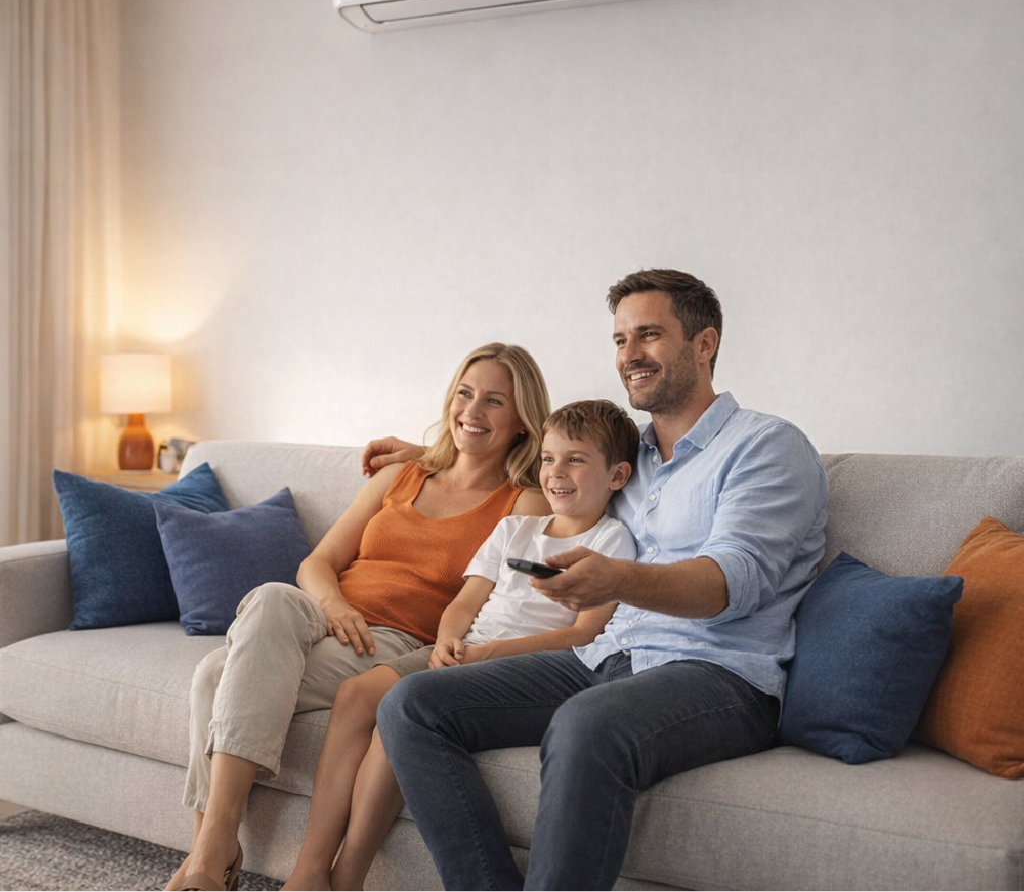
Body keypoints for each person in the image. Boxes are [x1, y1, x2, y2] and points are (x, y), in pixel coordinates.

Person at [373, 269, 830, 892]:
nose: (629, 355)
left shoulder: (767, 447)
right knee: (411, 703)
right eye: (619, 340)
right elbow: (545, 458)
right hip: (606, 657)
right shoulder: (626, 458)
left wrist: (618, 577)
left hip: (718, 675)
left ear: (705, 345)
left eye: (648, 336)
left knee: (587, 724)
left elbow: (731, 583)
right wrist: (429, 458)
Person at [163, 343, 552, 892]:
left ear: (521, 420)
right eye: (465, 394)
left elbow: (515, 594)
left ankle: (205, 859)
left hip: (393, 640)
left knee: (212, 674)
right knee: (273, 596)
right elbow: (318, 562)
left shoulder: (524, 501)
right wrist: (334, 604)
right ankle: (215, 846)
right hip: (325, 615)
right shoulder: (402, 476)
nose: (473, 410)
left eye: (494, 401)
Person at [280, 399, 639, 892]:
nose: (556, 472)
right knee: (355, 695)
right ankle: (310, 871)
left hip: (520, 664)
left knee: (396, 720)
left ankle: (348, 877)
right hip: (462, 649)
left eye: (575, 459)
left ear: (617, 476)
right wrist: (449, 639)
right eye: (550, 458)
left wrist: (484, 655)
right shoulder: (517, 527)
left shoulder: (612, 543)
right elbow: (465, 602)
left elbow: (584, 635)